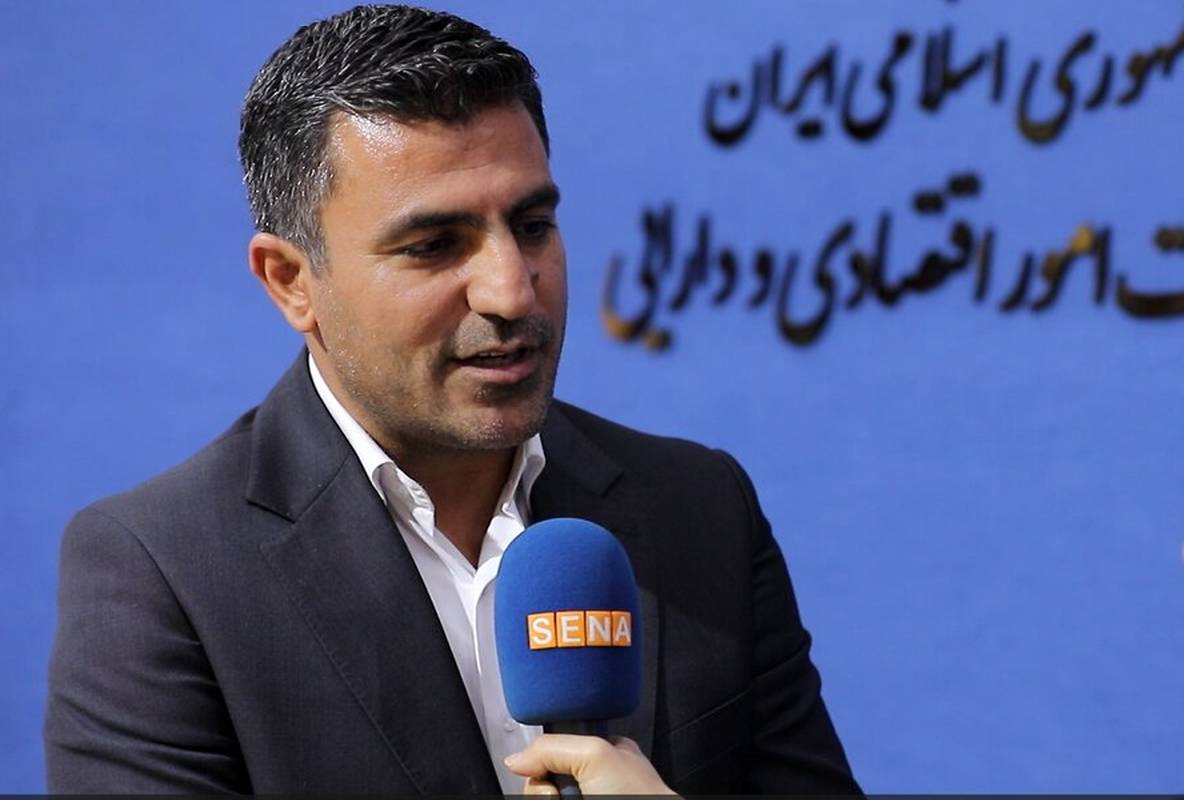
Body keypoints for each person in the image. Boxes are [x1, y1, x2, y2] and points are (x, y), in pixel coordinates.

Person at [45, 5, 860, 795]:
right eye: (435, 246)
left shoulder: (701, 509)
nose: (512, 291)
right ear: (291, 281)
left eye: (533, 226)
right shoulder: (163, 573)